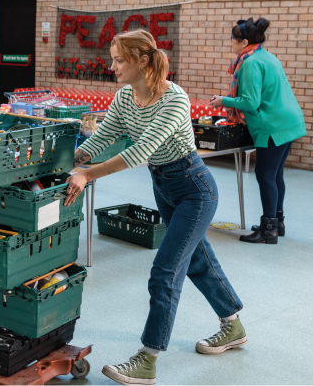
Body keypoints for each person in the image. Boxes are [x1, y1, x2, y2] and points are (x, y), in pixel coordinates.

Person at [65, 30, 244, 386]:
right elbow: (104, 137)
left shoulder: (174, 99)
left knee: (165, 271)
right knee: (196, 260)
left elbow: (138, 152)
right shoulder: (125, 98)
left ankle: (147, 358)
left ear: (143, 60)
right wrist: (72, 157)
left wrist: (87, 174)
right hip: (163, 186)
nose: (112, 66)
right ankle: (233, 325)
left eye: (119, 60)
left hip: (194, 188)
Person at [210, 18, 305, 244]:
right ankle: (277, 223)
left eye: (232, 39)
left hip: (272, 126)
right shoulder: (267, 56)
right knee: (275, 175)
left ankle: (268, 230)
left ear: (243, 42)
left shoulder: (250, 63)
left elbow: (251, 102)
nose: (231, 42)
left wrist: (222, 100)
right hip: (287, 122)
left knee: (265, 176)